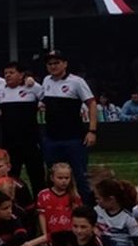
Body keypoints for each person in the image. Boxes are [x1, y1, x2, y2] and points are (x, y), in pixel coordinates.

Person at [41, 50, 97, 203]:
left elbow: (91, 103)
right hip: (52, 138)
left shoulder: (76, 82)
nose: (53, 66)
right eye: (50, 63)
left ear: (65, 64)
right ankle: (57, 208)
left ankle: (87, 209)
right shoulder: (46, 81)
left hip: (73, 138)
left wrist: (92, 130)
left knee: (80, 177)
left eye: (56, 63)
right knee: (53, 177)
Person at [0, 62, 45, 192]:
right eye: (6, 73)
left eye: (11, 73)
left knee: (37, 175)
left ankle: (39, 201)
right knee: (12, 177)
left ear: (21, 74)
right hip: (10, 143)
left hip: (30, 141)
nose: (8, 75)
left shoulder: (33, 87)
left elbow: (46, 98)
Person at [93, 178, 138, 246]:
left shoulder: (128, 217)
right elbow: (90, 223)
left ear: (111, 199)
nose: (96, 201)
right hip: (100, 242)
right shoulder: (97, 210)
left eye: (98, 198)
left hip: (121, 245)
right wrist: (94, 229)